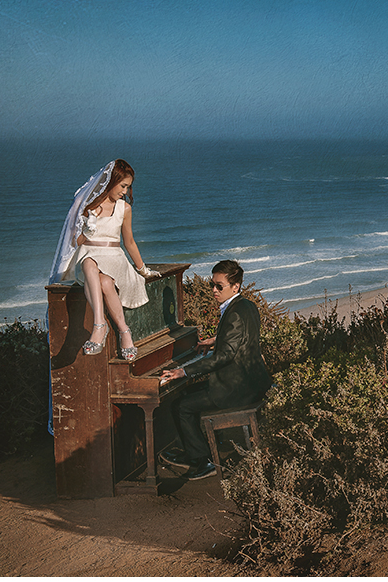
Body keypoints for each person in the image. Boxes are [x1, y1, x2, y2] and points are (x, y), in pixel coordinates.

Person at [159, 260, 271, 480]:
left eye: (219, 286)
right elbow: (239, 338)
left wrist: (184, 371)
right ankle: (193, 452)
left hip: (237, 389)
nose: (213, 290)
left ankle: (202, 461)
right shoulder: (246, 306)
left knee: (182, 406)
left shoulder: (234, 312)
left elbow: (224, 356)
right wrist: (215, 340)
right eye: (213, 285)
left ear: (235, 287)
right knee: (184, 395)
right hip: (252, 382)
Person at [48, 159, 159, 361]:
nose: (125, 191)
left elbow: (130, 242)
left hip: (114, 259)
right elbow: (76, 242)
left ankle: (110, 329)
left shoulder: (124, 209)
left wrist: (143, 269)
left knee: (106, 282)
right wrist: (86, 231)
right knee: (89, 262)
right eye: (123, 185)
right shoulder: (87, 207)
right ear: (110, 181)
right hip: (88, 258)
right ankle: (108, 327)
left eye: (128, 187)